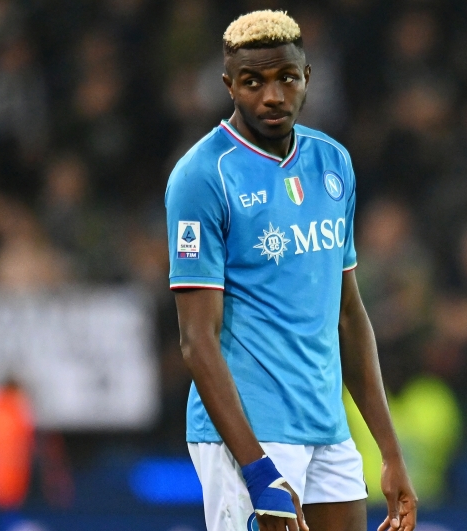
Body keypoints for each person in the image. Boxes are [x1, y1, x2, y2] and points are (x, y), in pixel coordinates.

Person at [165, 11, 417, 531]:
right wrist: (258, 471)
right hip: (251, 434)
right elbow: (196, 341)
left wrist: (389, 453)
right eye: (253, 81)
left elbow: (348, 315)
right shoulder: (202, 176)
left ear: (308, 78)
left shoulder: (334, 163)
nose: (273, 96)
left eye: (286, 78)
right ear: (229, 85)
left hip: (327, 428)